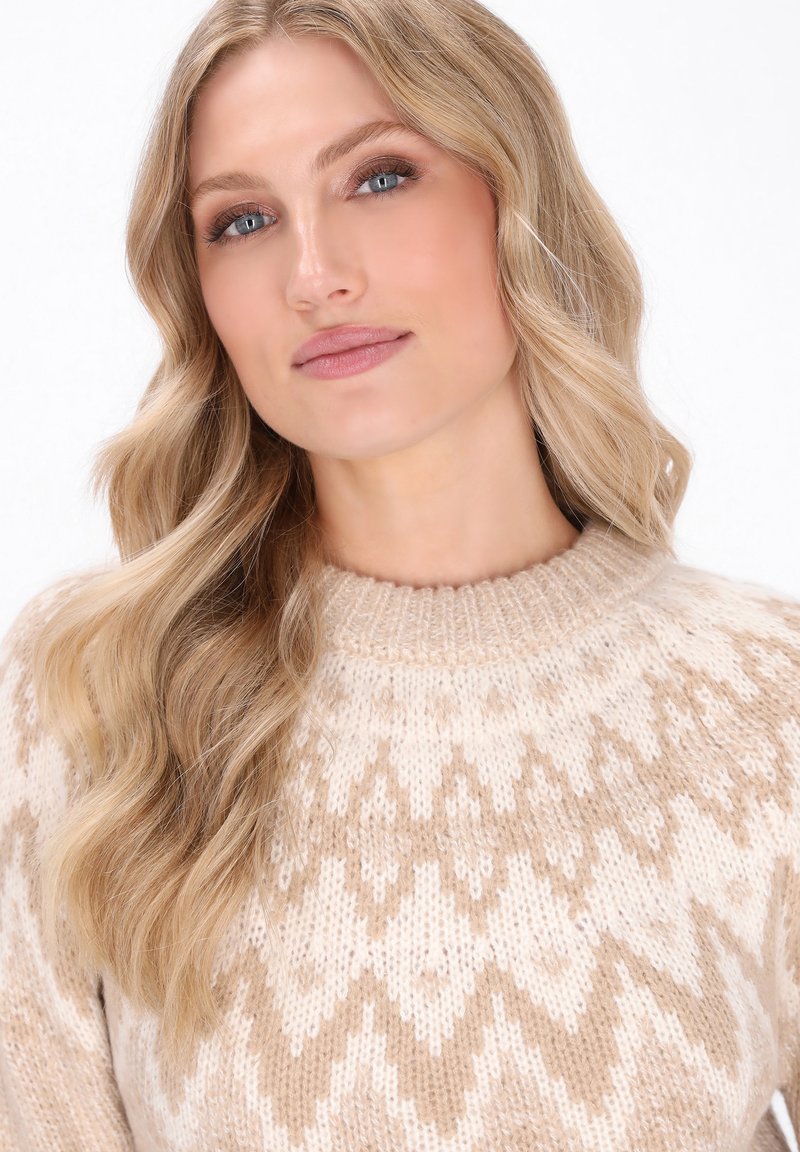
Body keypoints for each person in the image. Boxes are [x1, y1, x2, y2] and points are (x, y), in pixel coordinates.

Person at [1, 0, 798, 1147]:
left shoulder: (765, 703)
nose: (313, 275)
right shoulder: (96, 696)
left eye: (377, 177)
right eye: (241, 220)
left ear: (512, 196)